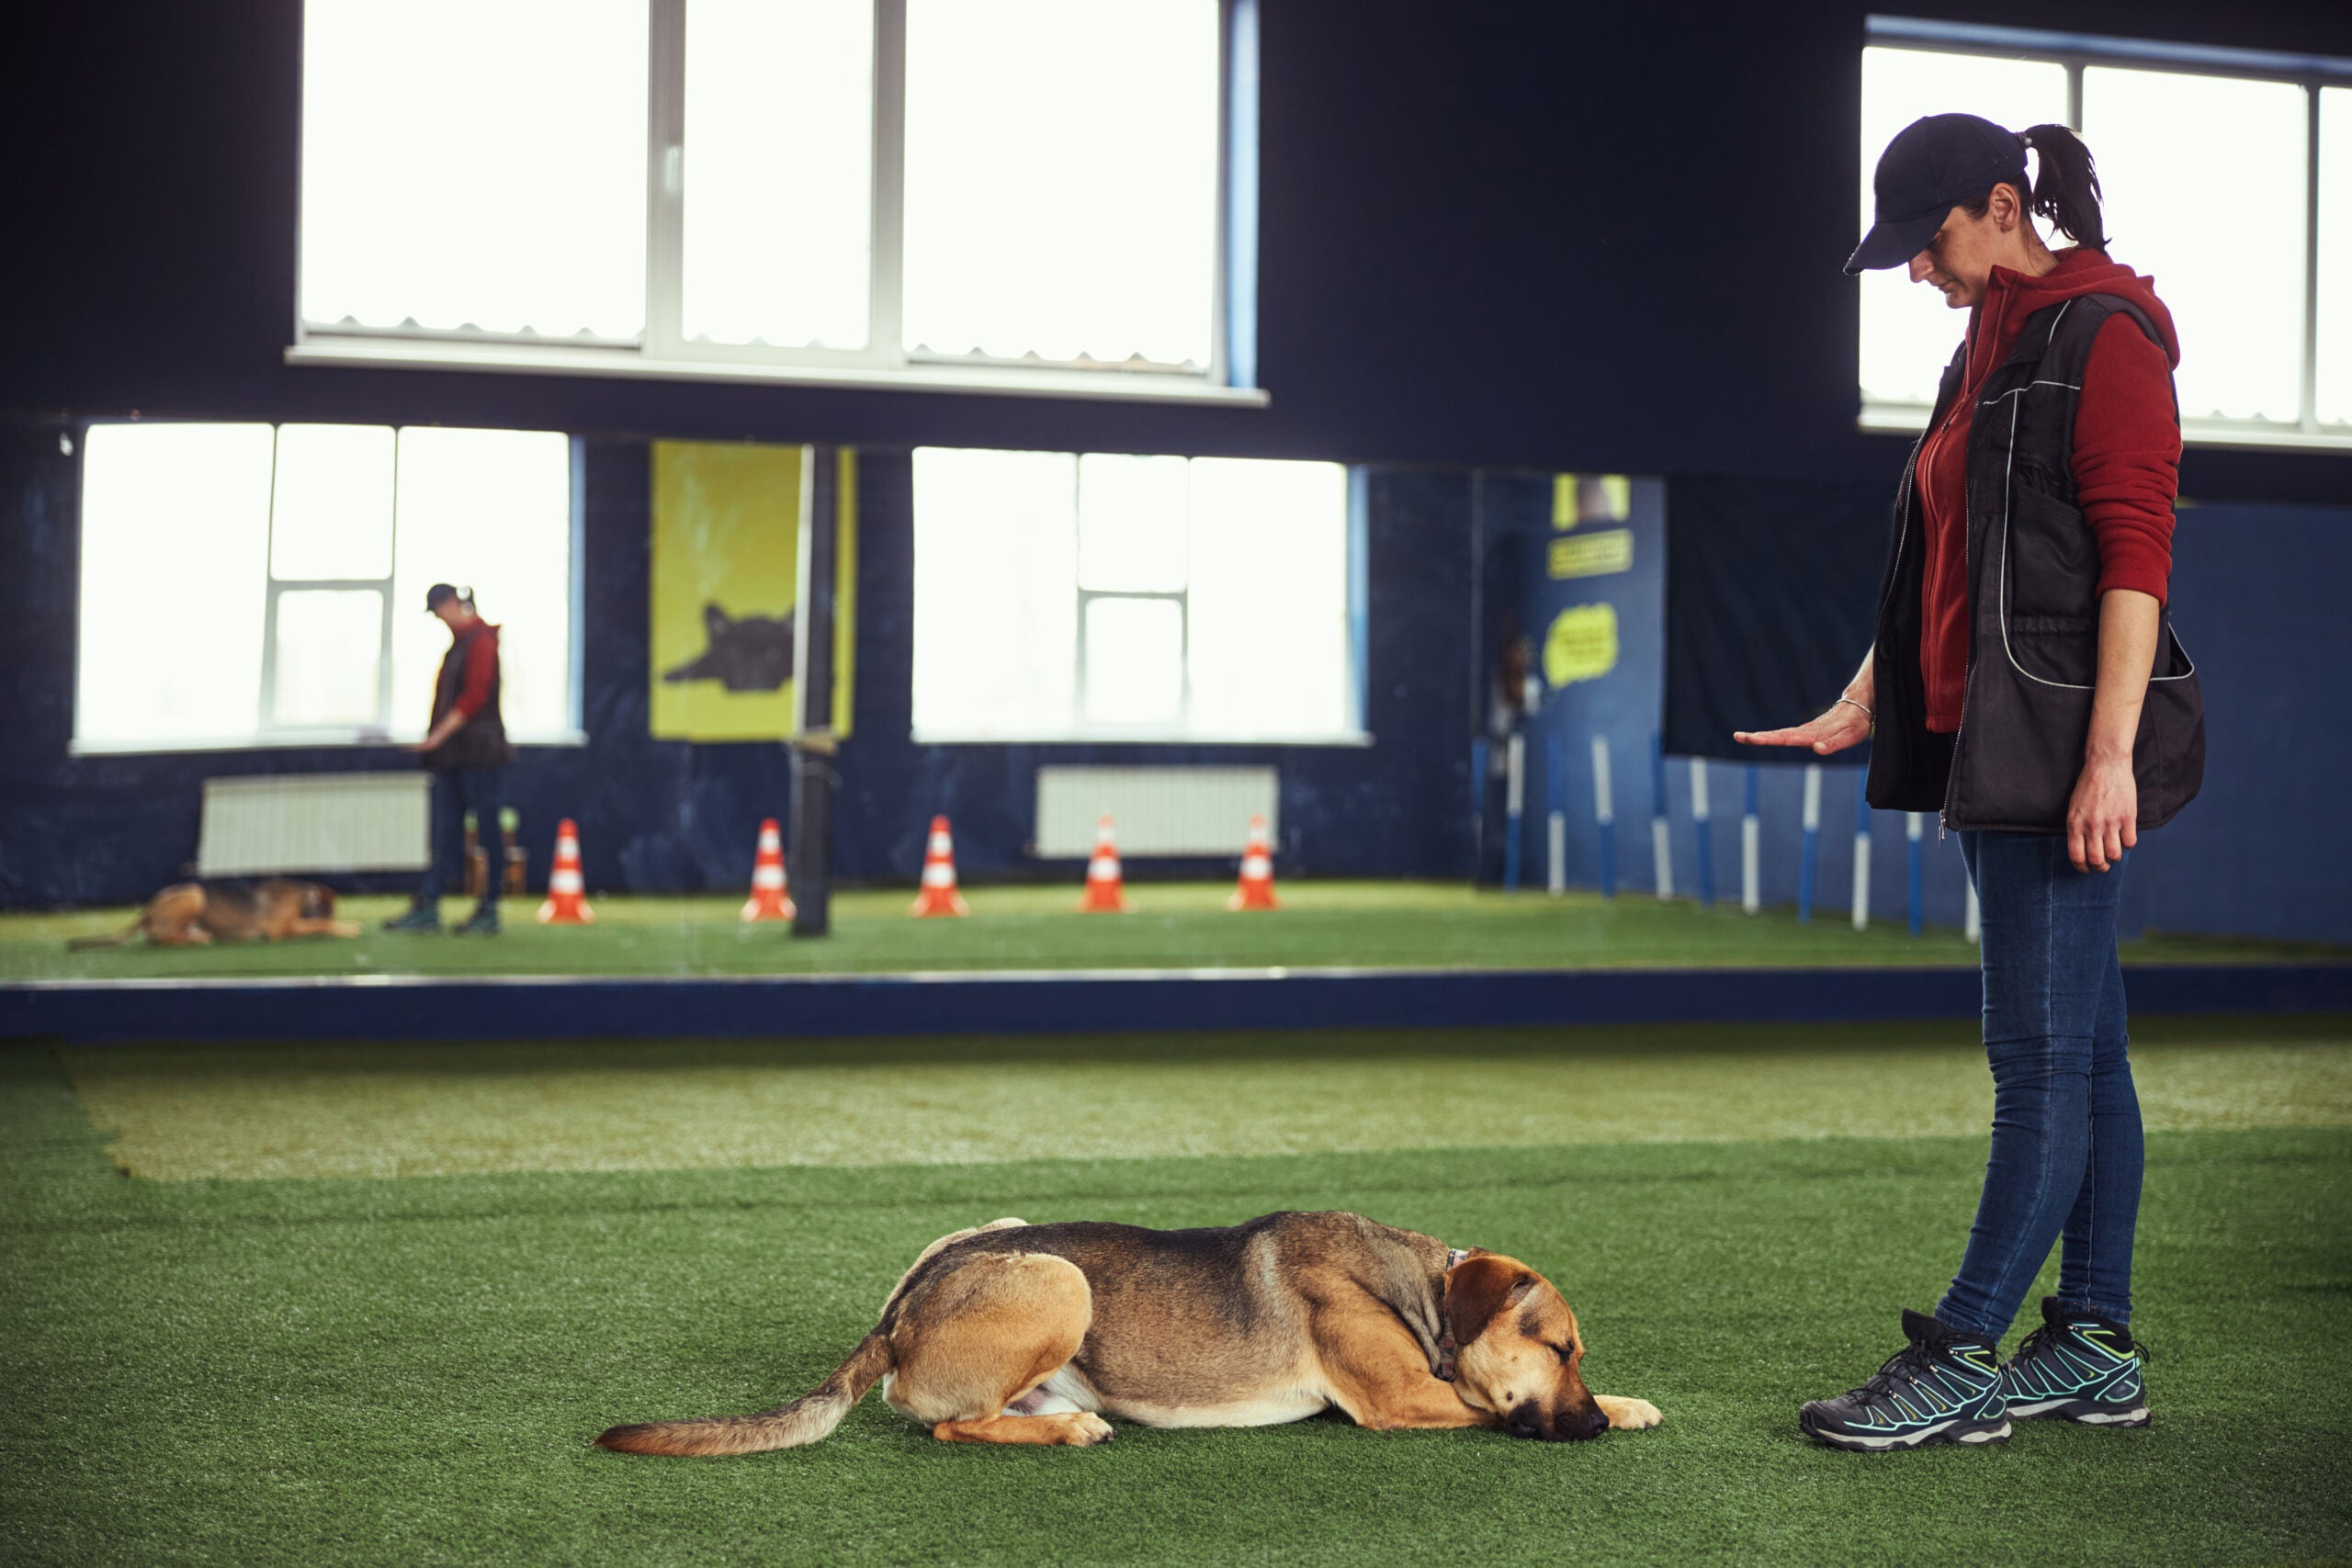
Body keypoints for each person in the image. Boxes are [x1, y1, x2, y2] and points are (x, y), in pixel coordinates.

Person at [1737, 113, 2203, 1451]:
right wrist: (1867, 690)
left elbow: (2135, 555)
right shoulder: (1984, 353)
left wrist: (2107, 752)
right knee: (2089, 1049)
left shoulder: (2104, 335)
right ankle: (2096, 1341)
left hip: (2058, 755)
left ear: (2006, 205)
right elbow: (1948, 555)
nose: (1916, 273)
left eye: (1928, 242)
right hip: (1992, 741)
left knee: (2037, 1063)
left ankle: (1965, 1351)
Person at [385, 583, 516, 936]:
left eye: (440, 610)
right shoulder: (459, 645)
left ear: (452, 604)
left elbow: (474, 696)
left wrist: (436, 738)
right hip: (452, 757)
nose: (440, 619)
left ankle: (489, 909)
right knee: (445, 832)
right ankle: (429, 905)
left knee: (488, 830)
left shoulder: (482, 642)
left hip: (481, 756)